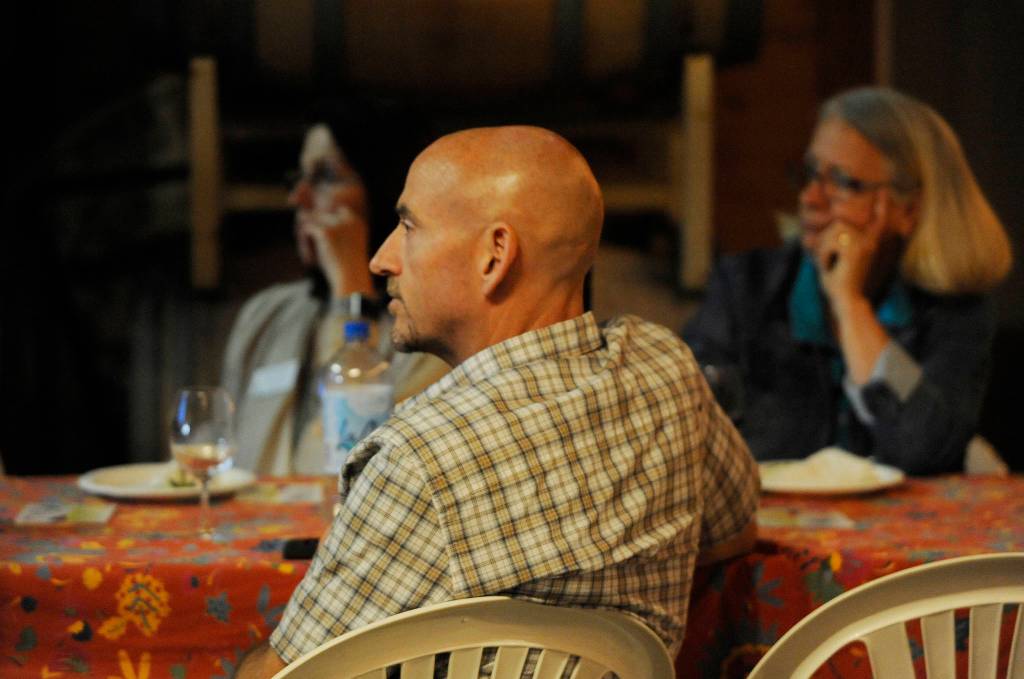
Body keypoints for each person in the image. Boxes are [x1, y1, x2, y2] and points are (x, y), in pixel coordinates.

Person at [235, 126, 759, 677]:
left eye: (408, 228)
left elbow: (282, 674)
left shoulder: (419, 460)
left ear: (495, 256)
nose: (381, 260)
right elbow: (733, 533)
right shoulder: (664, 367)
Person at [684, 86, 1012, 475]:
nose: (810, 198)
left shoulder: (952, 309)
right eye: (811, 174)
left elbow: (927, 448)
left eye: (843, 183)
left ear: (908, 209)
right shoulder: (745, 287)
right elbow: (686, 424)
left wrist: (850, 305)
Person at [222, 125, 449, 475]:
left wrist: (350, 290)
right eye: (298, 178)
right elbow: (223, 456)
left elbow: (349, 463)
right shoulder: (265, 313)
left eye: (327, 177)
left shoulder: (426, 328)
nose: (299, 198)